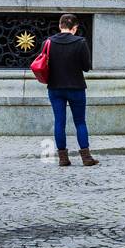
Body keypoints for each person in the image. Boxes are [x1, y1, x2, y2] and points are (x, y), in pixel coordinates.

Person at [46, 14, 97, 167]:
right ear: (74, 28)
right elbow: (86, 67)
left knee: (59, 122)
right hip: (76, 88)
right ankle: (86, 158)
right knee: (80, 122)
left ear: (60, 26)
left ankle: (62, 158)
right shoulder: (80, 42)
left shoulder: (48, 42)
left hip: (55, 88)